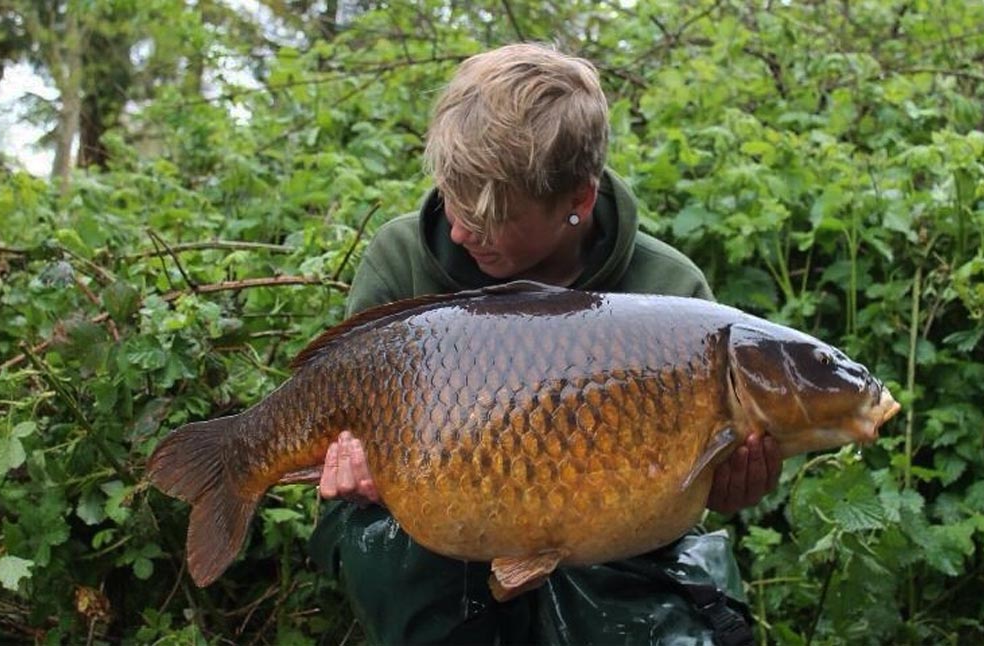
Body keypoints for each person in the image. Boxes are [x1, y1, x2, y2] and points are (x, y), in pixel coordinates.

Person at [308, 42, 781, 645]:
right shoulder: (402, 258)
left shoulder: (670, 292)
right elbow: (342, 411)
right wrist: (364, 472)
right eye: (452, 200)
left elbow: (686, 487)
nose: (460, 232)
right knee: (392, 556)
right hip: (426, 521)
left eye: (492, 218)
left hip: (608, 538)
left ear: (578, 200)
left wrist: (730, 484)